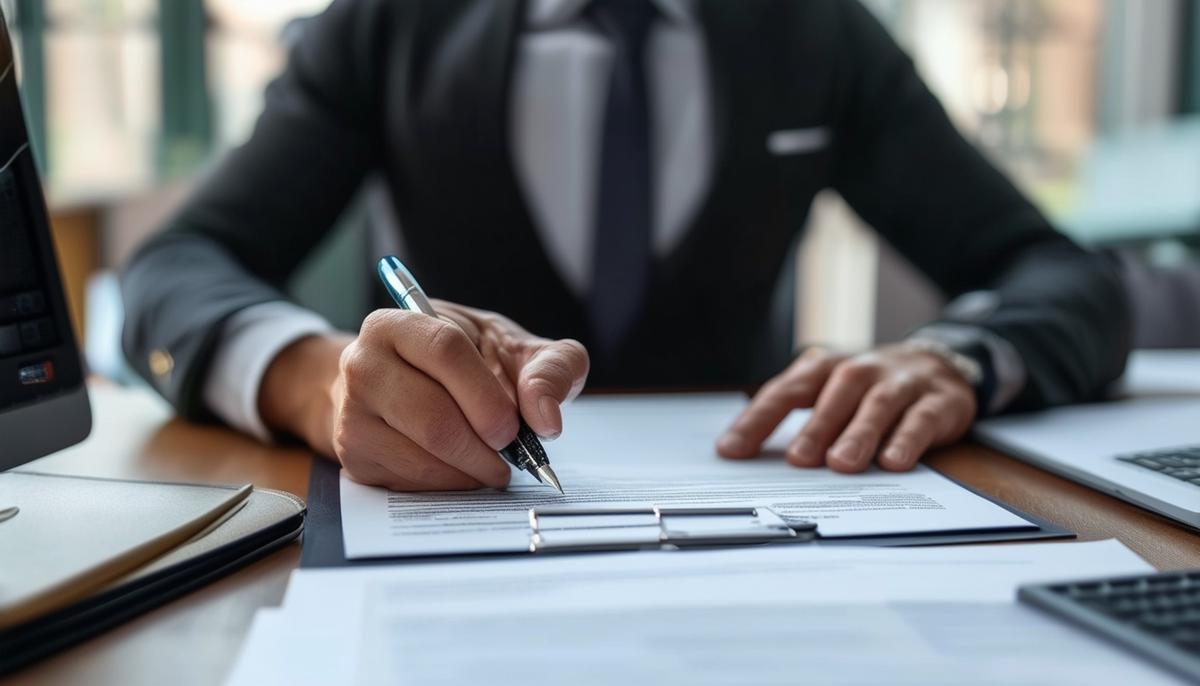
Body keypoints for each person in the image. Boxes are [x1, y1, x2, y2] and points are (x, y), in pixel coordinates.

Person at [121, 0, 1129, 491]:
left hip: (757, 522)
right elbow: (175, 269)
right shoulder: (391, 23)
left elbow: (1064, 275)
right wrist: (316, 381)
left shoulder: (817, 33)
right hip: (459, 533)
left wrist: (955, 356)